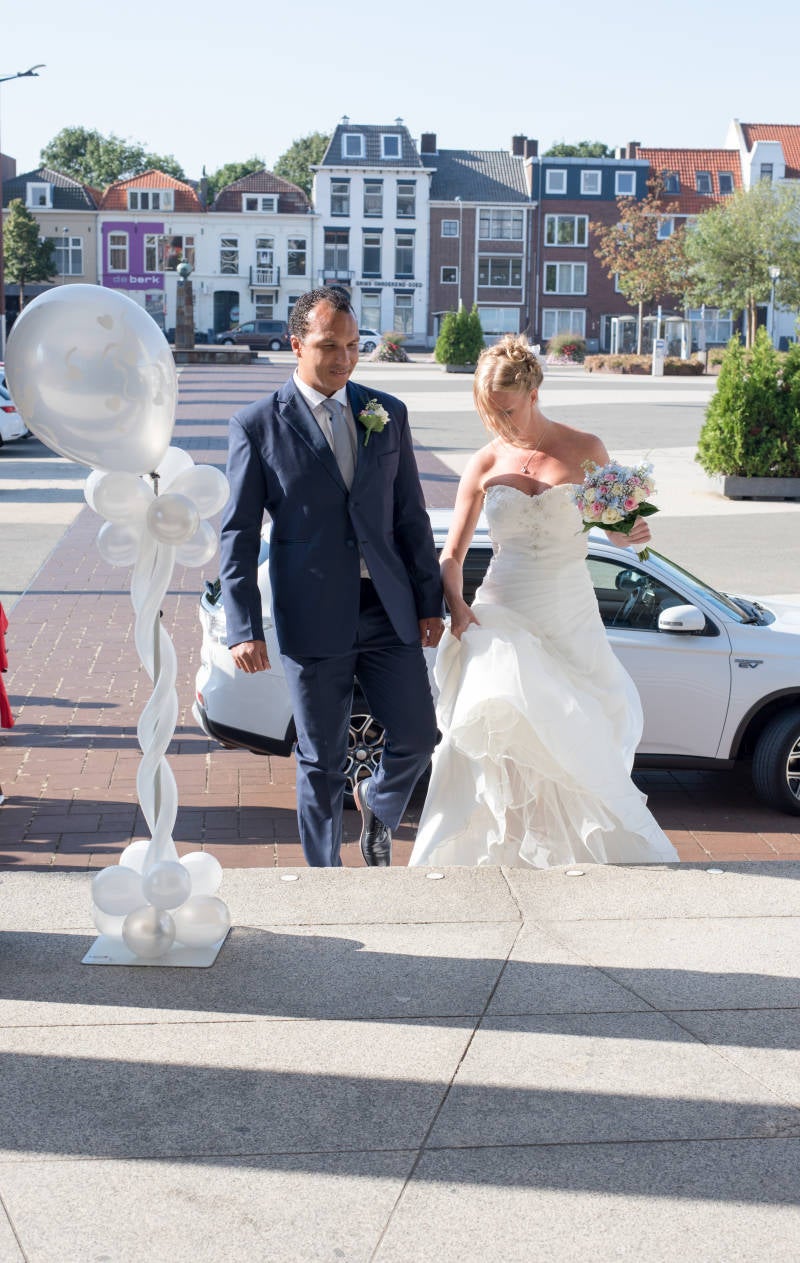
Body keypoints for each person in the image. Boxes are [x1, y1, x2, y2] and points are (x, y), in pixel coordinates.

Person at [409, 334, 679, 869]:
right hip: (501, 610)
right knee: (500, 724)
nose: (499, 423)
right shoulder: (484, 462)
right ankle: (503, 855)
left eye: (506, 411)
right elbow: (452, 553)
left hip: (568, 613)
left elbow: (615, 530)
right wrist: (457, 606)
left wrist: (632, 530)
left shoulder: (586, 448)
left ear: (533, 392)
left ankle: (572, 857)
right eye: (489, 412)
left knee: (576, 738)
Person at [219, 288, 444, 868]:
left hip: (387, 608)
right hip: (312, 615)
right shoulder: (256, 425)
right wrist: (243, 628)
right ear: (297, 344)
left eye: (352, 346)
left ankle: (378, 800)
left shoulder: (386, 413)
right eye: (328, 346)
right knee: (320, 759)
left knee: (418, 735)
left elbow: (411, 517)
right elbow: (237, 533)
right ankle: (326, 877)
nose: (344, 359)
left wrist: (429, 603)